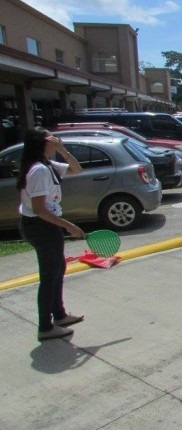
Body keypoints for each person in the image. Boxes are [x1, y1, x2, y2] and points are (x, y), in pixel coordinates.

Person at [17, 128, 86, 341]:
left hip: (47, 225)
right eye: (51, 137)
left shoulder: (48, 165)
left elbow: (77, 169)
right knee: (49, 276)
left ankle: (60, 315)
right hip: (41, 226)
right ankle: (45, 328)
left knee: (58, 270)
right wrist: (69, 225)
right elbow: (39, 210)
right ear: (42, 142)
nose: (56, 139)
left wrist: (62, 149)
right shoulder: (38, 170)